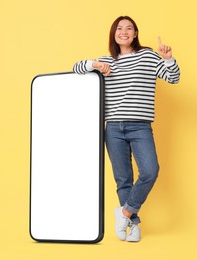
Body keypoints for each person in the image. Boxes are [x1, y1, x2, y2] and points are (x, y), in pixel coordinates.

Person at [73, 16, 180, 242]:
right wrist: (95, 65)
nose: (124, 32)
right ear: (114, 33)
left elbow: (173, 78)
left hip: (140, 126)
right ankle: (133, 226)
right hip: (113, 128)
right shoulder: (106, 61)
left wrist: (169, 59)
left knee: (150, 171)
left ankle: (124, 212)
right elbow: (76, 68)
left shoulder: (148, 56)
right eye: (119, 28)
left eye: (129, 28)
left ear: (135, 33)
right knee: (123, 180)